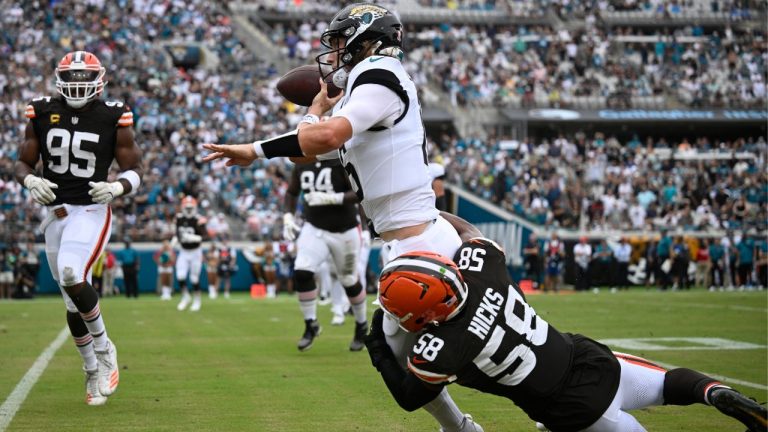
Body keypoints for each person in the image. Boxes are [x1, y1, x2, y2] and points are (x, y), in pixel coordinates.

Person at [202, 4, 482, 430]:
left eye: (337, 42)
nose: (332, 52)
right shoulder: (369, 91)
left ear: (365, 40)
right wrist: (298, 123)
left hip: (419, 244)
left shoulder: (377, 74)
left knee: (439, 349)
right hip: (407, 240)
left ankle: (506, 407)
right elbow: (307, 151)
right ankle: (465, 423)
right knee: (409, 351)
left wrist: (261, 145)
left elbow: (323, 134)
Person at [365, 232, 767, 432]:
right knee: (670, 384)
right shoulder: (483, 269)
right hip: (586, 355)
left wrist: (379, 350)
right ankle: (715, 393)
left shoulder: (443, 346)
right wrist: (437, 225)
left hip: (570, 406)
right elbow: (468, 233)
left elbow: (409, 398)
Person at [15, 51, 142, 405]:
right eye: (70, 78)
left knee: (73, 274)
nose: (77, 84)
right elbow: (23, 163)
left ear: (98, 79)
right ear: (59, 79)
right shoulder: (40, 111)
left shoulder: (114, 114)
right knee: (73, 305)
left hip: (90, 209)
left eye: (83, 77)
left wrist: (118, 187)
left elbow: (135, 169)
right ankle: (90, 371)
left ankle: (105, 351)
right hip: (53, 214)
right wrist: (29, 182)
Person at [283, 160, 368, 351]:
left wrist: (332, 198)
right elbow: (291, 192)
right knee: (302, 271)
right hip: (314, 227)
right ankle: (310, 324)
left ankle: (362, 324)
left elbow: (360, 193)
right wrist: (287, 217)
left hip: (344, 230)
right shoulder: (302, 161)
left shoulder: (339, 160)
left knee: (348, 280)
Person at [173, 195, 207, 312]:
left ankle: (197, 300)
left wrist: (191, 237)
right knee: (180, 276)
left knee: (194, 279)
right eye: (186, 208)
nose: (188, 210)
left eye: (190, 208)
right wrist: (176, 238)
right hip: (183, 251)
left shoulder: (199, 219)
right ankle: (186, 297)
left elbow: (204, 237)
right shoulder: (179, 218)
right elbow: (178, 232)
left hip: (195, 252)